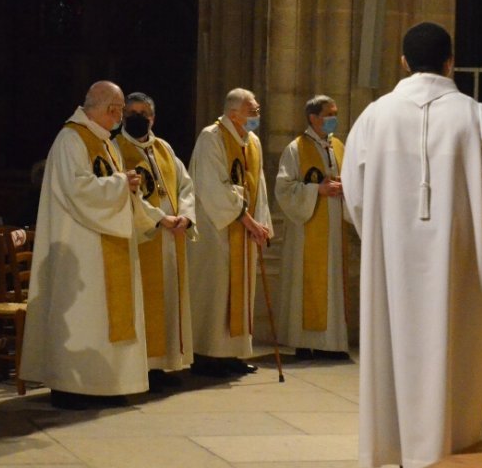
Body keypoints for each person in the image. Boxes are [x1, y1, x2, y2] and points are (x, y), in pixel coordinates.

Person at [342, 22, 482, 468]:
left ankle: (402, 450)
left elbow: (354, 194)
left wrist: (381, 234)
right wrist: (471, 232)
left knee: (396, 345)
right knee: (456, 345)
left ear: (403, 62)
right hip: (457, 261)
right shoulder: (477, 117)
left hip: (392, 263)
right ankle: (451, 445)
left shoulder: (374, 117)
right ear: (450, 61)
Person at [19, 80, 155, 408]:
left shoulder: (103, 142)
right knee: (85, 315)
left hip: (101, 241)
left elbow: (103, 183)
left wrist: (126, 185)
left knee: (100, 317)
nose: (120, 118)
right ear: (109, 109)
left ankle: (103, 385)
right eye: (119, 111)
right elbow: (78, 189)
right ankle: (72, 386)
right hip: (79, 247)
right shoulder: (71, 139)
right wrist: (121, 182)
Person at [187, 88, 273, 377]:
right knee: (215, 290)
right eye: (252, 111)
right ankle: (208, 354)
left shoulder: (253, 142)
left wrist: (261, 225)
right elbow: (212, 186)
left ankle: (234, 353)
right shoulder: (211, 137)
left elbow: (257, 186)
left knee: (240, 291)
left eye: (257, 111)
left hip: (243, 230)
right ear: (233, 113)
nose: (256, 116)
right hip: (217, 230)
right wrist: (246, 219)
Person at [115, 92, 197, 390]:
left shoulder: (163, 148)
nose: (139, 118)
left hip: (171, 237)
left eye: (144, 113)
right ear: (123, 116)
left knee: (168, 299)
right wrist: (159, 219)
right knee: (144, 300)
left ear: (153, 118)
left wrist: (185, 216)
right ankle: (144, 367)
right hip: (144, 238)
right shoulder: (116, 149)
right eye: (132, 113)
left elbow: (186, 186)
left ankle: (164, 365)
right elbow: (125, 194)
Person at [275, 95, 349, 360]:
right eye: (329, 114)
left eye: (335, 114)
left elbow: (352, 180)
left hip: (334, 230)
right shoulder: (295, 149)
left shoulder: (338, 146)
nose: (334, 120)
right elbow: (283, 189)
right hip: (307, 231)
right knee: (306, 283)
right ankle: (304, 342)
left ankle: (331, 344)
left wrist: (345, 187)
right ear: (313, 118)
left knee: (332, 283)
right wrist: (317, 189)